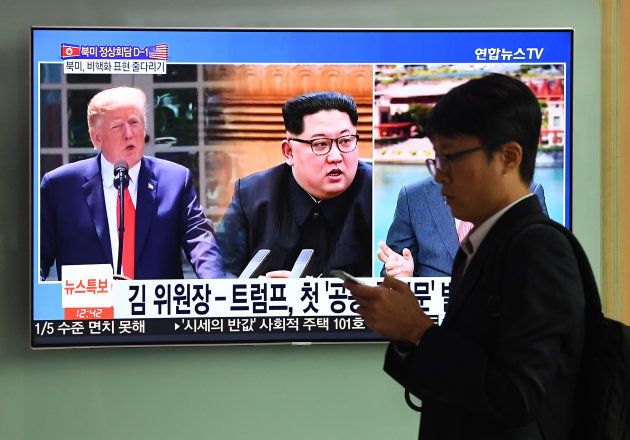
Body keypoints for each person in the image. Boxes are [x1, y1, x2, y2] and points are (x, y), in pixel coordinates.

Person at [345, 74, 584, 439]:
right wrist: (408, 334)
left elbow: (520, 398)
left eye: (450, 159)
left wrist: (419, 330)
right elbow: (454, 380)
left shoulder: (538, 248)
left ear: (508, 157)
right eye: (436, 161)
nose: (439, 177)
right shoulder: (483, 245)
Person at [40, 86, 225, 280]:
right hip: (88, 308)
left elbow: (201, 243)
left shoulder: (176, 180)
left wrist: (216, 289)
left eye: (134, 122)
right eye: (117, 126)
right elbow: (36, 262)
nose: (129, 133)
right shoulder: (60, 186)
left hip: (155, 308)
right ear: (96, 138)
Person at [217, 91, 372, 278]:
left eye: (346, 141)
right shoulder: (251, 195)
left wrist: (313, 293)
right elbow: (221, 273)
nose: (336, 157)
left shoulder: (376, 192)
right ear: (289, 152)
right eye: (321, 144)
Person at [378, 176, 548, 277]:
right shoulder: (413, 196)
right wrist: (401, 276)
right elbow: (391, 271)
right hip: (431, 328)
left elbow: (544, 271)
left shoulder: (526, 194)